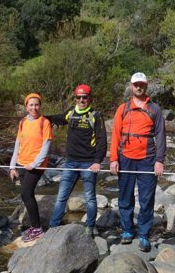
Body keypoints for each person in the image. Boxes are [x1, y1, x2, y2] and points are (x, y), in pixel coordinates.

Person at [110, 73, 166, 252]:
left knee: (146, 199)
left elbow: (161, 136)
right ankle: (127, 230)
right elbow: (116, 135)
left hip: (147, 159)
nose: (139, 87)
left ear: (146, 86)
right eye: (136, 85)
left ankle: (143, 234)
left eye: (141, 84)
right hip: (125, 158)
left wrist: (160, 160)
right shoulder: (123, 108)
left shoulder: (154, 109)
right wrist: (113, 159)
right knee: (125, 198)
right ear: (131, 86)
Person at [47, 84, 107, 237]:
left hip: (88, 163)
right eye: (79, 97)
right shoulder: (71, 113)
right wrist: (42, 117)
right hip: (70, 162)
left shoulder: (96, 116)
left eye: (84, 97)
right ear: (76, 98)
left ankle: (90, 225)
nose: (81, 100)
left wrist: (97, 161)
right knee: (61, 197)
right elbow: (59, 118)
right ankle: (53, 226)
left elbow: (102, 141)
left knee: (90, 198)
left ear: (90, 98)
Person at [10, 93, 53, 242]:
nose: (34, 107)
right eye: (31, 105)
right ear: (26, 106)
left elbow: (46, 146)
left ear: (40, 106)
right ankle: (35, 227)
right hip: (21, 163)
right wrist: (12, 165)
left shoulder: (44, 122)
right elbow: (18, 144)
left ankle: (37, 228)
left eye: (36, 105)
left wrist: (34, 164)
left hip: (36, 165)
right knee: (26, 195)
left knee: (25, 193)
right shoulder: (23, 122)